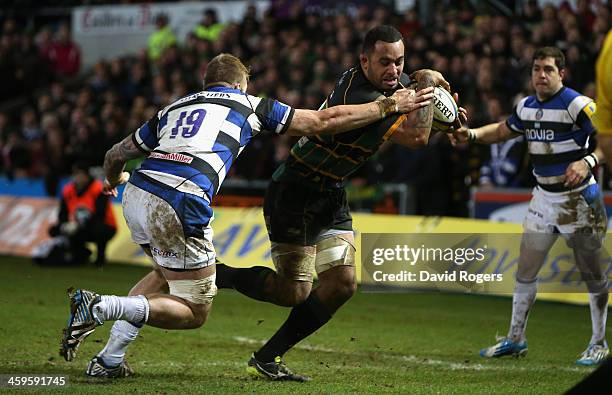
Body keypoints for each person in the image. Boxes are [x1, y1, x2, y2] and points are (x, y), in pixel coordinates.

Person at [59, 52, 433, 378]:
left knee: (163, 273)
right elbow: (320, 122)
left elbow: (114, 154)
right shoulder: (249, 104)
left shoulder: (173, 109)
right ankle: (100, 306)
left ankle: (109, 359)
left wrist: (114, 180)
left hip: (138, 193)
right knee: (193, 310)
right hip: (182, 196)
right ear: (241, 83)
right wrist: (387, 105)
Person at [215, 25, 465, 381]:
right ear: (364, 60)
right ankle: (218, 274)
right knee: (294, 291)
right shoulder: (359, 93)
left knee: (342, 284)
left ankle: (269, 356)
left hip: (331, 191)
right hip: (294, 190)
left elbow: (419, 107)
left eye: (400, 62)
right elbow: (416, 137)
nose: (394, 70)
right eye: (384, 62)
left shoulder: (393, 86)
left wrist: (445, 112)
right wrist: (428, 86)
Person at [451, 46, 609, 366]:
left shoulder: (578, 104)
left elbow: (609, 140)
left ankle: (599, 342)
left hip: (577, 198)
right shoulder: (526, 107)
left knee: (591, 272)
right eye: (536, 68)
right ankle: (516, 339)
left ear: (561, 74)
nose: (541, 75)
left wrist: (588, 161)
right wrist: (470, 135)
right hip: (543, 198)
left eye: (548, 69)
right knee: (525, 268)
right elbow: (501, 130)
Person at [49, 162, 117, 266]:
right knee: (55, 229)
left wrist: (79, 225)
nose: (77, 178)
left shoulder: (98, 188)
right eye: (75, 174)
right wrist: (64, 224)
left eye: (80, 174)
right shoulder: (68, 190)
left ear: (87, 175)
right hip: (79, 224)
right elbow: (63, 212)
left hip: (104, 225)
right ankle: (79, 255)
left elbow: (100, 214)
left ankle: (100, 258)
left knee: (98, 229)